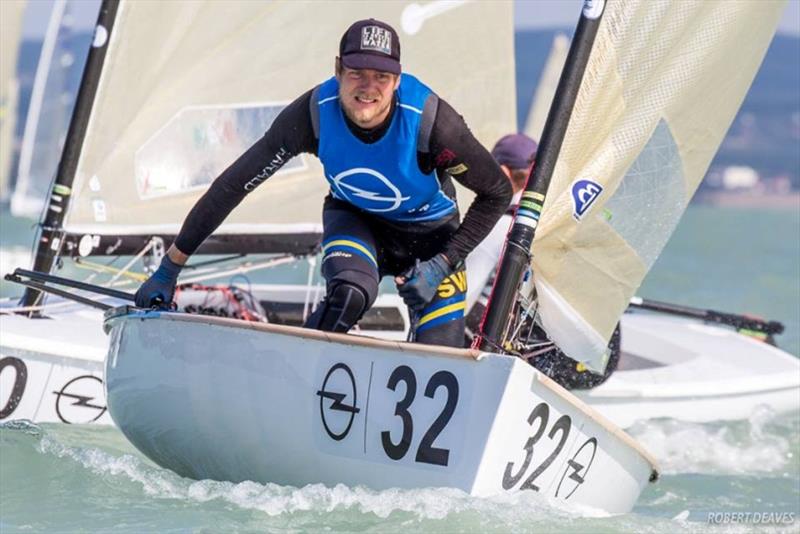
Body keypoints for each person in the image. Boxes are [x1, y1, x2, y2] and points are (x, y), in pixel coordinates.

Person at [134, 19, 512, 348]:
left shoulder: (433, 123)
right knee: (348, 294)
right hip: (357, 222)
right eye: (356, 73)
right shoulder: (312, 115)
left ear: (396, 80)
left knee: (440, 359)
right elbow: (233, 185)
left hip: (433, 239)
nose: (368, 87)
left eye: (381, 76)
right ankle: (293, 378)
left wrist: (443, 263)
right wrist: (170, 268)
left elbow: (497, 193)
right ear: (337, 70)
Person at [463, 132, 619, 388]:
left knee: (462, 315)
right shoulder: (565, 219)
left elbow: (461, 302)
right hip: (595, 363)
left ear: (500, 170)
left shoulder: (501, 223)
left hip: (533, 360)